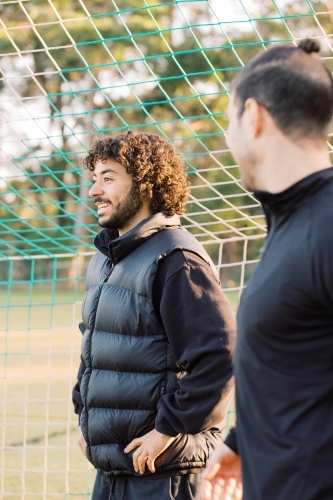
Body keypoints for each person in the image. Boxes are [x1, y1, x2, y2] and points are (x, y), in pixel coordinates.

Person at [72, 130, 236, 500]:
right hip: (115, 471)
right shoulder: (105, 260)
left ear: (145, 184)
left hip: (165, 474)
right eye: (94, 178)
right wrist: (86, 417)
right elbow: (93, 349)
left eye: (108, 178)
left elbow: (220, 358)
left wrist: (167, 431)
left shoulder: (176, 260)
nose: (94, 191)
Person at [202, 38, 333, 500]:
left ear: (253, 116)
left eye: (229, 122)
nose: (226, 139)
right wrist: (242, 443)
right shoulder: (291, 222)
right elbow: (304, 366)